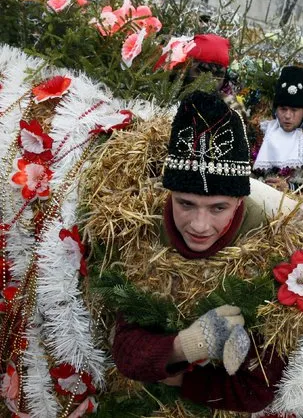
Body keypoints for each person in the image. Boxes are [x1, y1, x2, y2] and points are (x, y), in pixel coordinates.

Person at [111, 90, 290, 413]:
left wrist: (174, 378)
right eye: (185, 203)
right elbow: (125, 348)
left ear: (239, 201)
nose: (200, 225)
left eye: (218, 207)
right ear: (170, 195)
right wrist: (186, 345)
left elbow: (258, 390)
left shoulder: (272, 244)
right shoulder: (142, 229)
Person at [253, 65, 303, 171]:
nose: (287, 116)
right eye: (283, 109)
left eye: (294, 110)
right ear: (276, 109)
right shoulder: (261, 134)